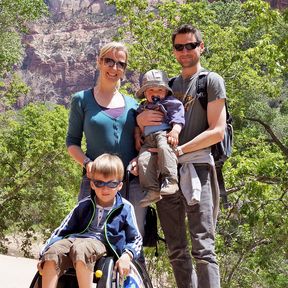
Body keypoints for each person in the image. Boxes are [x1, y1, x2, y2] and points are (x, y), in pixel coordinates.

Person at [137, 24, 226, 288]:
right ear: (174, 51)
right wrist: (141, 119)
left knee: (203, 247)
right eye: (179, 47)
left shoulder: (210, 81)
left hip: (197, 169)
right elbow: (148, 125)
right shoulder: (169, 85)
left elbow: (217, 131)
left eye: (190, 45)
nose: (185, 51)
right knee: (176, 248)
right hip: (167, 174)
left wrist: (180, 150)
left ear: (201, 46)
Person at [65, 41, 146, 237]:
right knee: (85, 236)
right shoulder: (81, 100)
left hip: (130, 182)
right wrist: (87, 163)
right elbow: (72, 142)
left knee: (132, 241)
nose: (114, 68)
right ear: (99, 62)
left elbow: (144, 142)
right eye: (109, 61)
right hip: (95, 181)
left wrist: (139, 160)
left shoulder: (134, 105)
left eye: (120, 63)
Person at [37, 153, 142, 288]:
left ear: (120, 185)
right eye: (99, 183)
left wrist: (127, 256)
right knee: (53, 251)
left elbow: (136, 239)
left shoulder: (125, 208)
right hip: (76, 239)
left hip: (101, 244)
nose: (105, 188)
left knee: (82, 248)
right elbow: (61, 230)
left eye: (112, 184)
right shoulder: (84, 204)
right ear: (92, 184)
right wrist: (43, 255)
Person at [135, 69, 185, 207]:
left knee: (165, 148)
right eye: (151, 90)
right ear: (144, 93)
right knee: (143, 159)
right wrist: (137, 135)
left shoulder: (170, 103)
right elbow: (136, 124)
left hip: (163, 134)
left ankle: (171, 180)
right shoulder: (142, 107)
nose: (155, 94)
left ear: (166, 92)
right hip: (147, 139)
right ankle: (151, 190)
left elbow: (178, 117)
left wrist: (175, 130)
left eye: (160, 90)